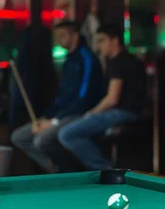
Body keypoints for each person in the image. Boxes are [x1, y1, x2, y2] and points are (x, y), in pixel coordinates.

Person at [10, 20, 105, 173]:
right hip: (62, 115)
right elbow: (60, 98)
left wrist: (54, 121)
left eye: (63, 36)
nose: (59, 40)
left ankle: (68, 171)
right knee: (19, 137)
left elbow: (83, 98)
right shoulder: (68, 60)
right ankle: (55, 169)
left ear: (74, 36)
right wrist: (44, 119)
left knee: (41, 140)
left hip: (81, 114)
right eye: (58, 36)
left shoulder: (86, 58)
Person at [58, 22, 146, 171]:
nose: (98, 46)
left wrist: (91, 113)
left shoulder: (119, 61)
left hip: (123, 113)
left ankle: (105, 169)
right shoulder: (125, 59)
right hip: (127, 112)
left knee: (66, 134)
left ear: (115, 40)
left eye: (102, 41)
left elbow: (112, 99)